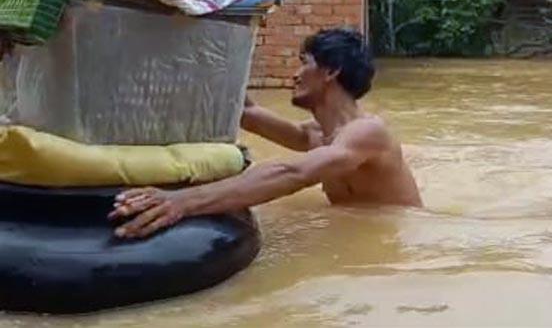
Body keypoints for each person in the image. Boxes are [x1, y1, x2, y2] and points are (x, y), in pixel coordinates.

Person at [109, 28, 422, 239]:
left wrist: (181, 202)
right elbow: (247, 113)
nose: (295, 75)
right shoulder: (314, 135)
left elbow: (293, 172)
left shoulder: (368, 132)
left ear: (330, 71)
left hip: (400, 238)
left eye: (304, 64)